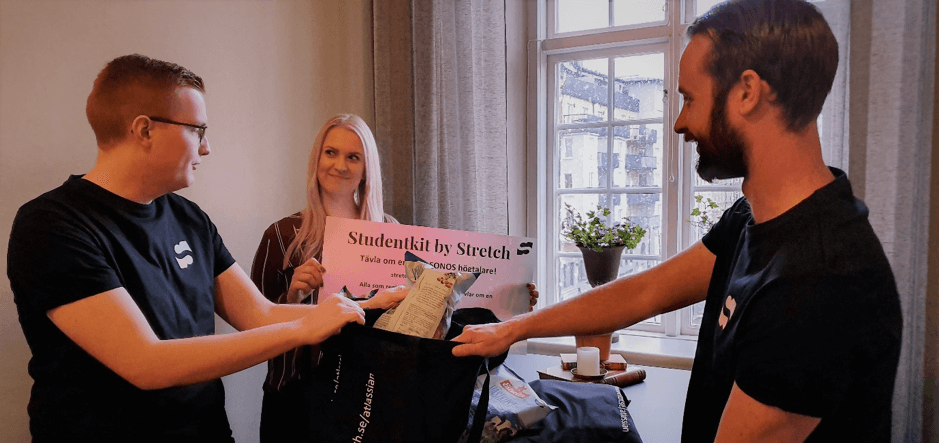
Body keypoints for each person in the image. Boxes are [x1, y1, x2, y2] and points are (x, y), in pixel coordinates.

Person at [453, 1, 903, 442]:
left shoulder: (821, 281)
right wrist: (512, 328)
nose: (680, 123)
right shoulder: (751, 219)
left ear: (747, 92)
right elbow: (645, 291)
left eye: (689, 99)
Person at [6, 54, 368, 442]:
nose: (206, 147)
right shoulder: (52, 225)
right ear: (144, 130)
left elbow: (258, 314)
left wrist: (361, 309)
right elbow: (145, 362)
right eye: (198, 130)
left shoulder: (189, 218)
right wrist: (302, 329)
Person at [250, 114, 541, 441]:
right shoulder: (281, 235)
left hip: (375, 398)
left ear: (366, 168)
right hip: (295, 401)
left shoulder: (391, 232)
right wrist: (293, 298)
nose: (340, 165)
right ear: (316, 158)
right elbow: (253, 324)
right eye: (331, 152)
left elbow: (434, 305)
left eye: (353, 157)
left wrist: (509, 299)